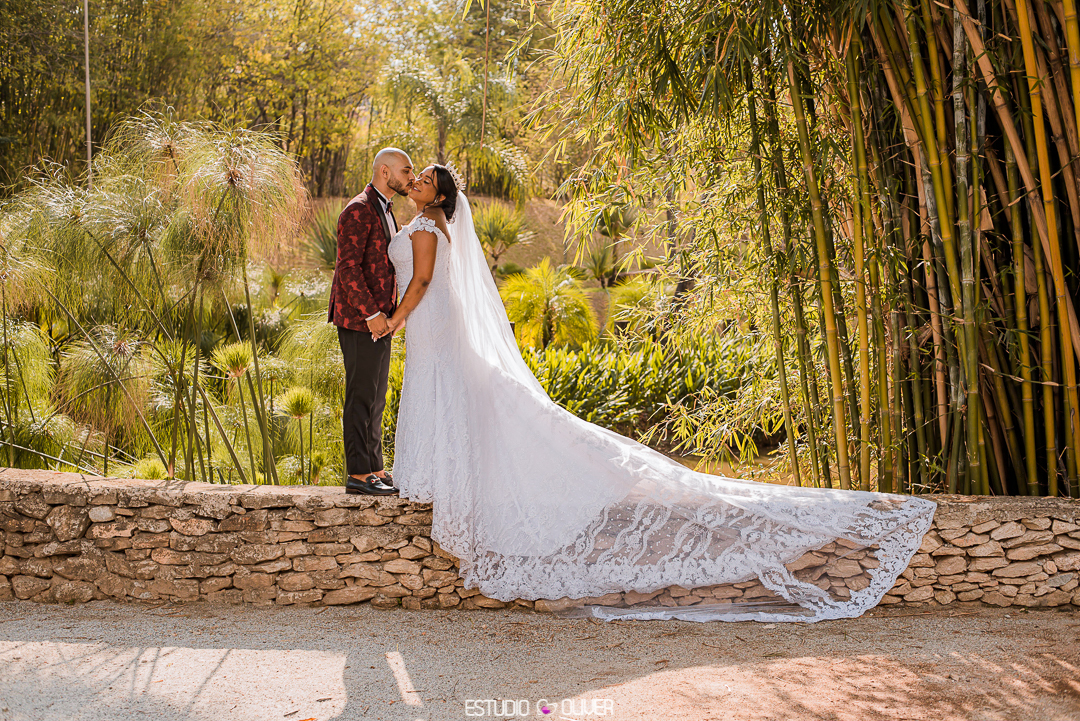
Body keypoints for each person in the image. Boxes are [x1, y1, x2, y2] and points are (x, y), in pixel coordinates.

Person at [376, 163, 937, 622]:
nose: (417, 181)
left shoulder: (426, 226)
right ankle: (431, 474)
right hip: (435, 325)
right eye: (416, 176)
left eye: (426, 179)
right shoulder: (431, 222)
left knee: (454, 396)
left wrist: (394, 321)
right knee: (448, 396)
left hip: (428, 322)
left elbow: (421, 280)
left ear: (439, 196)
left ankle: (436, 476)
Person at [327, 148, 414, 496]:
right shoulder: (358, 209)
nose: (411, 177)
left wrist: (391, 314)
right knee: (360, 395)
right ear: (384, 171)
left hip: (382, 320)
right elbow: (347, 269)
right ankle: (359, 474)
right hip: (359, 320)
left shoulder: (387, 209)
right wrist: (372, 315)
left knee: (377, 397)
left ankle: (375, 467)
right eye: (406, 170)